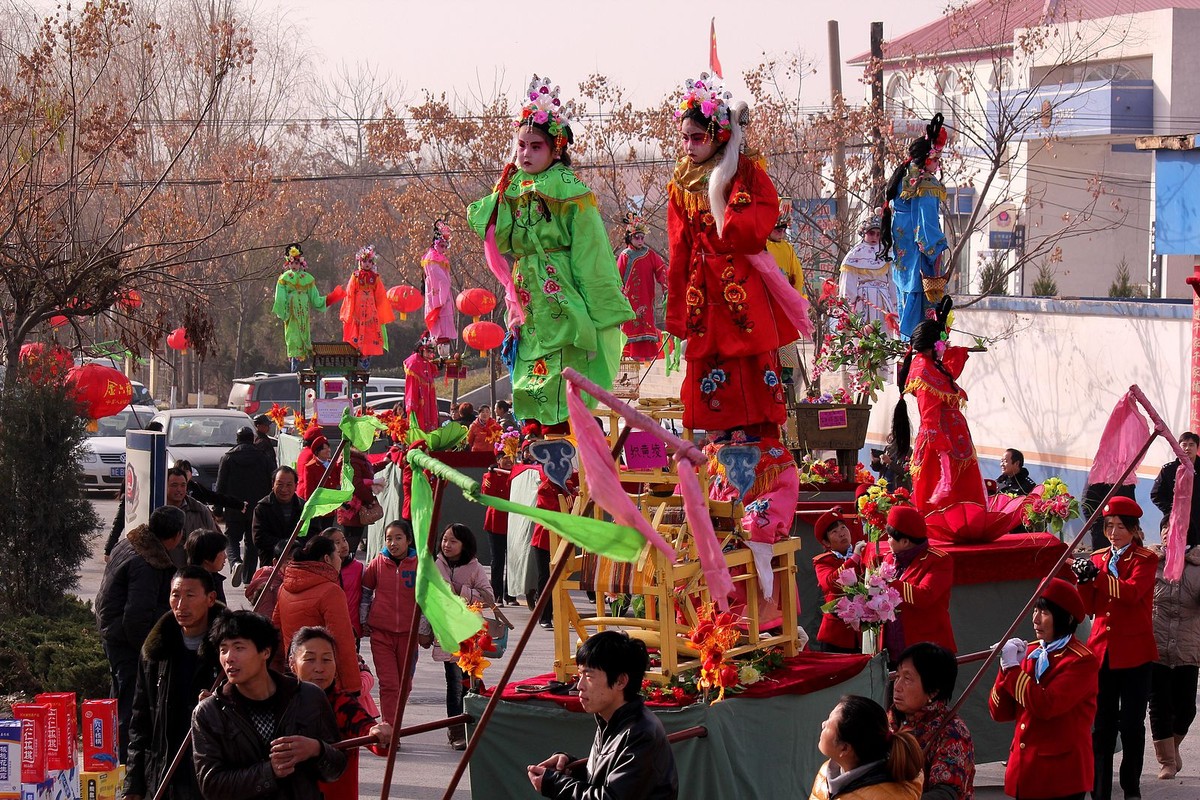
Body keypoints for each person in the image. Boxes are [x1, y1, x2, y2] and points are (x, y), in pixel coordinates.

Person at [466, 75, 633, 429]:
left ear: (555, 148)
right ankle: (535, 440)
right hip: (527, 288)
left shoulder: (572, 191)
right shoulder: (514, 186)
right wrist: (502, 189)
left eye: (535, 146)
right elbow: (498, 234)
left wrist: (599, 307)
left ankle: (563, 442)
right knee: (529, 365)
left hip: (561, 288)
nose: (525, 154)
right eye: (521, 145)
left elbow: (591, 253)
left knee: (563, 365)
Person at [665, 72, 798, 437]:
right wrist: (677, 308)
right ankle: (719, 442)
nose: (690, 146)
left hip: (740, 279)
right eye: (685, 138)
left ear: (719, 135)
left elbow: (754, 221)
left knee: (750, 357)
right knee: (711, 362)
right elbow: (679, 245)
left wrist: (731, 228)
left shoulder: (744, 170)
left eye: (698, 137)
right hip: (701, 287)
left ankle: (757, 439)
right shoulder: (681, 182)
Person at [191, 610, 347, 800]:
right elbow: (211, 785)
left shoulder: (308, 696)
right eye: (223, 649)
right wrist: (269, 772)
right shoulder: (209, 712)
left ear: (265, 651)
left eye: (239, 648)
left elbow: (336, 769)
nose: (229, 658)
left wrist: (317, 749)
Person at [1071, 496, 1158, 800]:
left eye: (1121, 526)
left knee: (1132, 725)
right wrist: (1083, 581)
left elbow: (1132, 594)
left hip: (1135, 654)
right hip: (1102, 653)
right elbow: (1088, 608)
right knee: (1101, 727)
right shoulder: (1097, 558)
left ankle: (1131, 788)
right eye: (1109, 526)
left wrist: (1098, 577)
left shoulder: (1145, 558)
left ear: (1134, 530)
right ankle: (1099, 791)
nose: (1114, 532)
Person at [527, 631, 678, 799]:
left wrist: (555, 785)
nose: (580, 686)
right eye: (579, 675)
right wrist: (570, 767)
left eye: (589, 676)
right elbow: (607, 778)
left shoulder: (640, 733)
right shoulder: (610, 720)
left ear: (620, 681)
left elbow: (612, 797)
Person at [989, 578, 1099, 800]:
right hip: (1026, 770)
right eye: (1035, 611)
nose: (1035, 620)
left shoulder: (1081, 661)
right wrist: (1004, 669)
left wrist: (1012, 670)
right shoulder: (1031, 653)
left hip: (1061, 776)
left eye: (1045, 613)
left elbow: (1046, 705)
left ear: (1066, 618)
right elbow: (1000, 712)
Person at [96, 505, 187, 761]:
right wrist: (150, 652)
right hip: (125, 640)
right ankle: (125, 764)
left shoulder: (133, 542)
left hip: (112, 631)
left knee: (120, 696)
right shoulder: (147, 564)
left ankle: (115, 756)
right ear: (177, 535)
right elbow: (136, 618)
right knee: (128, 704)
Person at [125, 567, 222, 800]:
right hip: (164, 773)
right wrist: (133, 784)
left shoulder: (228, 651)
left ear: (210, 599)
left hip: (213, 777)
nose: (181, 605)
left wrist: (221, 705)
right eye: (175, 595)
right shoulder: (155, 652)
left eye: (190, 595)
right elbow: (140, 722)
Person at [891, 302, 986, 516]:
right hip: (940, 441)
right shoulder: (924, 368)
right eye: (943, 341)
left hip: (952, 436)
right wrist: (941, 446)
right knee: (943, 491)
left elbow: (947, 376)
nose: (945, 345)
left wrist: (957, 352)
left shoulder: (929, 364)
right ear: (934, 344)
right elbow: (929, 416)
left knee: (959, 489)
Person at [287, 627, 391, 800]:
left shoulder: (343, 704)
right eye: (310, 659)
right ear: (292, 663)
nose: (319, 668)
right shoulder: (281, 702)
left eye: (327, 659)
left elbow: (368, 732)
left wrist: (380, 734)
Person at [418, 523, 493, 750]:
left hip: (469, 636)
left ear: (464, 544)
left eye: (453, 541)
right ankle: (456, 731)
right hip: (447, 634)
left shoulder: (475, 567)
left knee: (471, 681)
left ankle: (478, 726)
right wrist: (424, 630)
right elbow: (426, 601)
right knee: (453, 683)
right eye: (445, 540)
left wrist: (461, 590)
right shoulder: (434, 566)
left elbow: (488, 597)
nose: (447, 545)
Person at [880, 114, 949, 340]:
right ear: (927, 159)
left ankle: (907, 348)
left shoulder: (904, 177)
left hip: (903, 258)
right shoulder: (925, 183)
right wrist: (938, 246)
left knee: (906, 304)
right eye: (937, 159)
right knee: (923, 315)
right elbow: (926, 224)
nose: (938, 165)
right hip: (919, 257)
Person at [272, 535, 361, 695]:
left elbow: (275, 630)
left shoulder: (284, 587)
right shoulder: (331, 591)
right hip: (323, 675)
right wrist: (351, 687)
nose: (340, 561)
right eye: (337, 556)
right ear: (327, 559)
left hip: (294, 670)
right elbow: (342, 641)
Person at [889, 642, 975, 800]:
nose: (897, 686)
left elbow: (946, 794)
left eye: (907, 679)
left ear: (933, 691)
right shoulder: (889, 720)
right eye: (897, 676)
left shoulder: (952, 733)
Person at [1149, 517, 1200, 779]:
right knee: (1159, 706)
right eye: (1165, 529)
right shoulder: (1150, 563)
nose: (1169, 534)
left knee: (1186, 708)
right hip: (1155, 645)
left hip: (1187, 646)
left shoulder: (1197, 566)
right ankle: (1166, 761)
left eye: (1175, 528)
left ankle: (1174, 746)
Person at [360, 520, 419, 727]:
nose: (392, 543)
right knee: (389, 684)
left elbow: (428, 599)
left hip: (409, 635)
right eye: (388, 538)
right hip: (381, 634)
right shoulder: (377, 563)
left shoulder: (419, 563)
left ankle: (395, 723)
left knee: (405, 685)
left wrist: (425, 630)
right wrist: (363, 620)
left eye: (398, 538)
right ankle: (390, 729)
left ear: (409, 540)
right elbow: (366, 592)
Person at [809, 694, 923, 800]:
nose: (823, 724)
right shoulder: (828, 771)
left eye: (829, 723)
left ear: (845, 748)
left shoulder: (887, 796)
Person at [882, 505, 956, 660]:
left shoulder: (938, 560)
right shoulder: (890, 557)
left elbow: (925, 596)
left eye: (890, 537)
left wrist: (888, 582)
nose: (887, 541)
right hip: (893, 647)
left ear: (905, 542)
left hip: (926, 649)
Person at [216, 425, 274, 587]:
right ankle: (248, 578)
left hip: (234, 507)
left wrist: (218, 509)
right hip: (257, 508)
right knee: (251, 542)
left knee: (231, 538)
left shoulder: (228, 458)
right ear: (252, 439)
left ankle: (235, 562)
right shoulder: (263, 457)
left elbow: (221, 486)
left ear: (237, 439)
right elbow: (273, 481)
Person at [273, 244, 343, 371]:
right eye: (291, 262)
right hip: (291, 313)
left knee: (305, 335)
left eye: (296, 263)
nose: (294, 265)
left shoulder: (308, 279)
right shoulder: (284, 279)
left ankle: (304, 362)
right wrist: (283, 312)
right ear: (288, 263)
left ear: (301, 264)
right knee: (293, 337)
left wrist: (331, 298)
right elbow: (280, 297)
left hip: (304, 312)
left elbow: (315, 299)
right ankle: (295, 363)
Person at [616, 212, 669, 362]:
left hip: (646, 297)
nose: (640, 240)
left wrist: (666, 289)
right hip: (629, 300)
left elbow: (661, 270)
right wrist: (619, 297)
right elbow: (617, 279)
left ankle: (645, 354)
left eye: (642, 237)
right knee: (631, 324)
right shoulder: (625, 255)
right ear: (630, 238)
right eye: (636, 237)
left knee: (646, 323)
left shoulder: (650, 254)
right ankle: (629, 353)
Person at [812, 509, 865, 653]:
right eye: (834, 532)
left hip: (863, 631)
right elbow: (831, 583)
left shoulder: (864, 552)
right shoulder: (823, 562)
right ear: (826, 542)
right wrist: (854, 559)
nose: (842, 533)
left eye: (843, 527)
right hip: (836, 636)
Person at [339, 245, 394, 368]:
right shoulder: (355, 276)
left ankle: (367, 355)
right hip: (358, 309)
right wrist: (349, 311)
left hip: (370, 310)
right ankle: (359, 354)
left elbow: (380, 296)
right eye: (364, 261)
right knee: (357, 332)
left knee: (370, 332)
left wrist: (381, 313)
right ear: (360, 262)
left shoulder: (375, 278)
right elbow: (349, 294)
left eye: (369, 261)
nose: (367, 264)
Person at [839, 215, 896, 330]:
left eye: (878, 234)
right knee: (865, 331)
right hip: (863, 297)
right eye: (871, 233)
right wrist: (851, 303)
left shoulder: (887, 252)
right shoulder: (855, 254)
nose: (875, 237)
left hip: (883, 297)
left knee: (884, 331)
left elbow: (892, 280)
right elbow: (848, 282)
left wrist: (894, 302)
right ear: (864, 233)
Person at [482, 441, 517, 605]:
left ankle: (510, 595)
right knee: (497, 561)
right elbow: (486, 495)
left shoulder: (518, 474)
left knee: (513, 560)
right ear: (498, 460)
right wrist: (491, 475)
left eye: (511, 457)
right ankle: (497, 595)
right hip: (496, 522)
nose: (509, 461)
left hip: (514, 522)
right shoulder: (491, 475)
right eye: (505, 458)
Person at [1151, 431, 1200, 547]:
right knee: (1175, 550)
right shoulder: (1168, 470)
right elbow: (1156, 494)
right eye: (1184, 445)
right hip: (1175, 520)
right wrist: (1171, 510)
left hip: (1198, 518)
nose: (1187, 448)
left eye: (1191, 445)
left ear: (1197, 447)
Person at [253, 466, 305, 573]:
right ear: (273, 485)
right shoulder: (263, 507)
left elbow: (313, 534)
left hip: (299, 565)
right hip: (271, 566)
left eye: (289, 485)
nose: (284, 489)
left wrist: (295, 548)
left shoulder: (305, 508)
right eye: (280, 484)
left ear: (296, 485)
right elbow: (259, 538)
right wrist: (285, 545)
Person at [335, 444, 384, 556]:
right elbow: (357, 485)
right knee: (348, 545)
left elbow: (369, 470)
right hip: (353, 509)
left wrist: (385, 462)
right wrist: (371, 500)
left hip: (353, 508)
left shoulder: (357, 459)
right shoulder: (354, 460)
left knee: (348, 543)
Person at [322, 527, 364, 649]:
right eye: (337, 543)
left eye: (344, 540)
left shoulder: (358, 568)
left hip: (353, 628)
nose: (343, 545)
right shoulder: (323, 571)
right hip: (329, 629)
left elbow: (365, 596)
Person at [422, 219, 457, 354]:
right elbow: (441, 280)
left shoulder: (439, 259)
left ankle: (445, 353)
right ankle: (441, 353)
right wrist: (442, 299)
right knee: (440, 329)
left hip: (443, 297)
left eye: (445, 246)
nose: (443, 249)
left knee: (445, 330)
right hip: (438, 299)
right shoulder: (431, 259)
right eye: (441, 245)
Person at [166, 466, 217, 537]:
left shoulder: (200, 510)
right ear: (165, 485)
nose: (179, 489)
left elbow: (214, 539)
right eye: (174, 485)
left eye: (183, 485)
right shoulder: (157, 508)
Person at [404, 335, 441, 433]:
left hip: (429, 400)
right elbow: (411, 387)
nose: (431, 354)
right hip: (418, 401)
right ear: (421, 350)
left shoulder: (428, 363)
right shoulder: (414, 363)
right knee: (419, 426)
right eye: (428, 351)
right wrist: (411, 406)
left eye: (432, 352)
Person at [184, 528, 229, 604]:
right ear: (207, 557)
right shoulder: (195, 585)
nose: (225, 556)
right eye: (222, 552)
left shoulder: (214, 579)